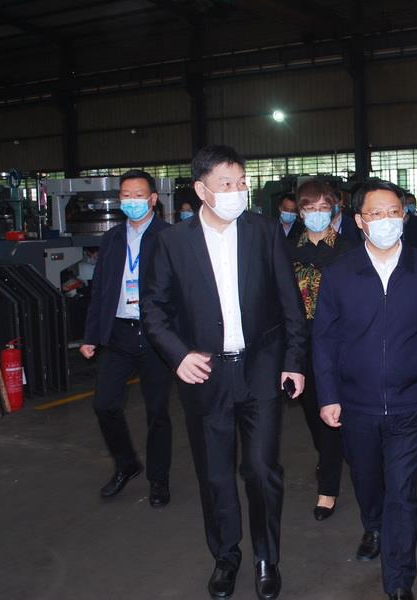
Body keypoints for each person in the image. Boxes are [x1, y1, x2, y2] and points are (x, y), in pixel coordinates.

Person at [140, 145, 308, 600]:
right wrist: (178, 355)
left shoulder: (264, 232)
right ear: (202, 190)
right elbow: (154, 310)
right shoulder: (173, 242)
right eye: (226, 184)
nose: (237, 191)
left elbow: (290, 303)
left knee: (261, 469)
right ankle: (226, 556)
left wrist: (294, 362)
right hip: (205, 374)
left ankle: (266, 558)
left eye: (241, 182)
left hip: (261, 369)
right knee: (215, 474)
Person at [313, 179, 417, 600]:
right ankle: (372, 525)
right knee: (368, 480)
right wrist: (328, 395)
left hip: (411, 400)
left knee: (402, 492)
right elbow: (325, 340)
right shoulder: (340, 273)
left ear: (404, 217)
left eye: (394, 212)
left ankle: (399, 580)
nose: (386, 221)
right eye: (376, 213)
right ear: (359, 221)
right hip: (357, 403)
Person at [79, 169, 173, 508]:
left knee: (157, 412)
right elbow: (100, 290)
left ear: (153, 199)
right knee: (104, 404)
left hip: (156, 336)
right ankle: (126, 463)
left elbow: (182, 292)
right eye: (126, 196)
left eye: (139, 195)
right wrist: (91, 335)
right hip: (119, 332)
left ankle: (158, 480)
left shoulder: (169, 237)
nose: (132, 201)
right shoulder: (112, 238)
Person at [288, 178, 356, 521]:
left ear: (334, 210)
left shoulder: (348, 250)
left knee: (332, 412)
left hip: (337, 344)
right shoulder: (287, 249)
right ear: (300, 212)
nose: (316, 213)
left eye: (323, 207)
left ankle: (327, 488)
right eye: (309, 208)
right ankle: (332, 456)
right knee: (313, 412)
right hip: (300, 345)